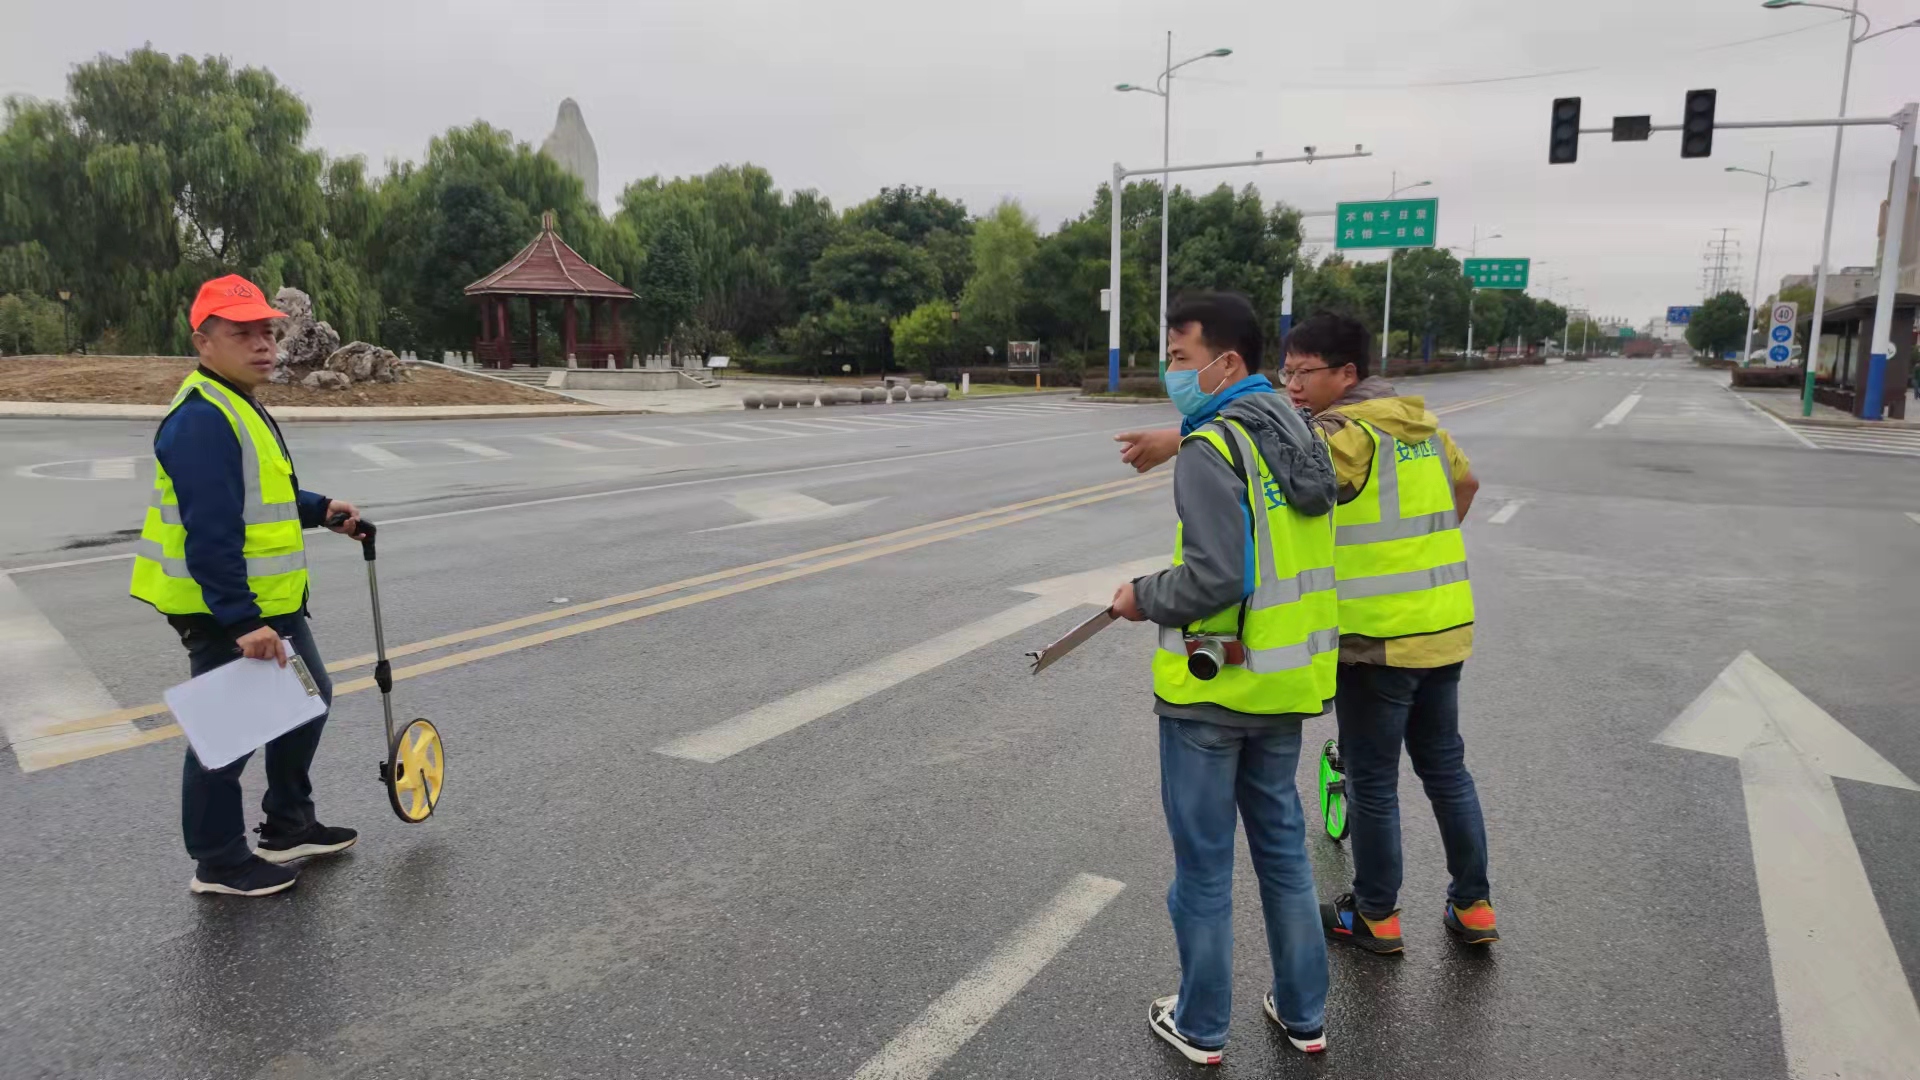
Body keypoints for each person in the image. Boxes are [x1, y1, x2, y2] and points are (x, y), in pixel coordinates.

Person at [1115, 311, 1498, 956]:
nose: (1291, 386)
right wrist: (1417, 556)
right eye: (1286, 372)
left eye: (1303, 373)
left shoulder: (1345, 434)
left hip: (1378, 637)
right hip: (1443, 625)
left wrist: (1179, 439)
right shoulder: (1425, 429)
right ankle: (1474, 904)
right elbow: (1467, 484)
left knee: (1372, 781)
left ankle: (1376, 914)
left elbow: (1270, 449)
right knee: (1445, 768)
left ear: (1347, 374)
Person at [1109, 292, 1338, 1063]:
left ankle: (1202, 1025)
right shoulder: (1300, 435)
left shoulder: (1213, 450)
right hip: (1282, 687)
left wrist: (1142, 596)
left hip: (1210, 693)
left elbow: (1213, 578)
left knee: (1205, 869)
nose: (1171, 373)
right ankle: (1304, 1014)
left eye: (1181, 359)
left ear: (1227, 362)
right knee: (1284, 856)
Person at [129, 274, 365, 898]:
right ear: (203, 342)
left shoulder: (236, 400)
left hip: (269, 603)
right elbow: (211, 533)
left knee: (308, 699)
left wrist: (320, 510)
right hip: (224, 611)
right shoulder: (202, 418)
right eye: (242, 334)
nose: (263, 344)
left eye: (267, 331)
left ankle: (289, 826)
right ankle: (218, 862)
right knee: (227, 735)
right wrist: (241, 621)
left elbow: (263, 492)